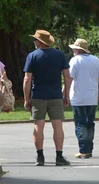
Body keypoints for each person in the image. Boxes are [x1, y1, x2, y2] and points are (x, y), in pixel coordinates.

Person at [23, 29, 71, 166]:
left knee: (38, 126)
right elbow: (67, 77)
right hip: (56, 95)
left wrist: (27, 98)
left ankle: (40, 157)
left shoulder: (32, 56)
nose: (33, 42)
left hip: (38, 95)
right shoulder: (60, 55)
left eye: (35, 40)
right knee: (58, 126)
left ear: (39, 42)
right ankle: (59, 156)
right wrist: (66, 95)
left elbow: (27, 79)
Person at [68, 38, 99, 159]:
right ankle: (89, 148)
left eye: (74, 49)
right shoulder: (96, 60)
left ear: (78, 50)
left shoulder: (75, 61)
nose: (73, 51)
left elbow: (69, 79)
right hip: (92, 98)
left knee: (80, 124)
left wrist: (64, 94)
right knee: (90, 124)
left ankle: (83, 149)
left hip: (78, 98)